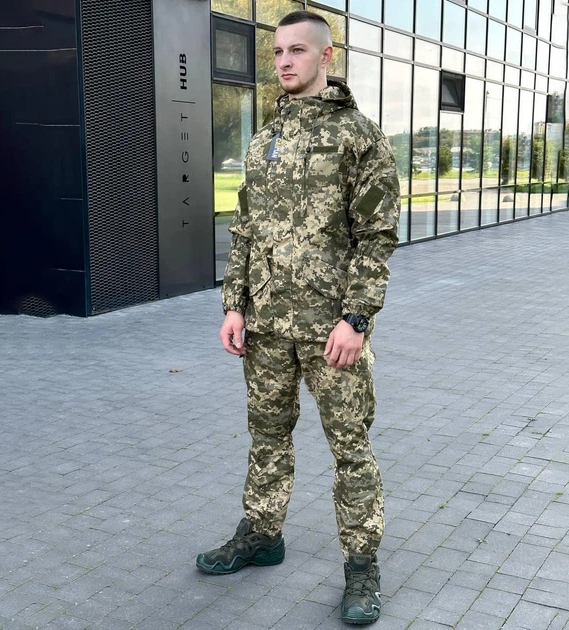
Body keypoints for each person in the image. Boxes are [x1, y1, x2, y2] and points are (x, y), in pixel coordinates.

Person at [196, 10, 400, 625]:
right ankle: (263, 533)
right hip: (265, 327)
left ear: (326, 57)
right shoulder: (265, 139)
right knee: (267, 437)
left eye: (297, 50)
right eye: (278, 51)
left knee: (350, 448)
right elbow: (246, 230)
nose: (284, 61)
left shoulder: (359, 136)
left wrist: (356, 318)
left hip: (330, 329)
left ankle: (361, 566)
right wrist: (234, 304)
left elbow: (376, 236)